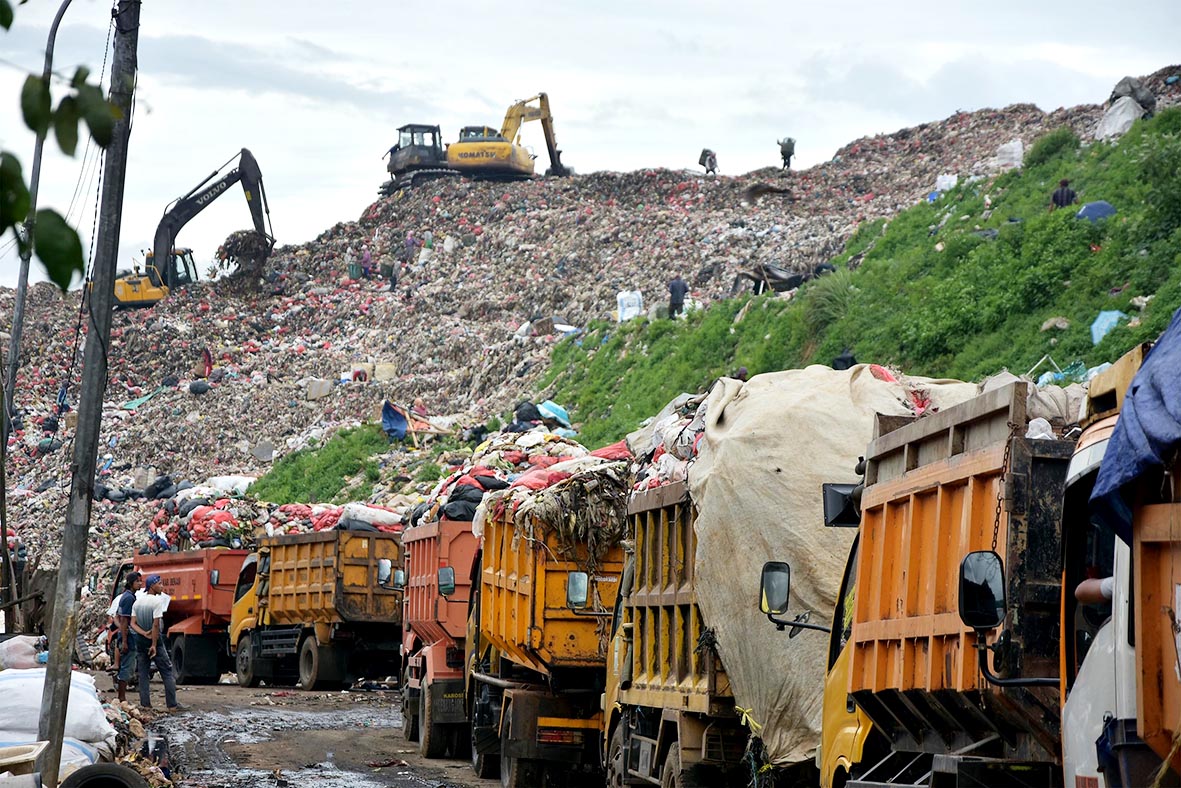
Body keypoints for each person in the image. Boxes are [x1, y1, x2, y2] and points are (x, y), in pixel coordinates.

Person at [131, 574, 181, 711]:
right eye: (159, 583)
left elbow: (133, 624)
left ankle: (145, 704)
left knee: (143, 673)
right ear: (152, 585)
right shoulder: (157, 602)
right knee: (167, 671)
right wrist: (153, 644)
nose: (162, 586)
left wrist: (142, 633)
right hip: (155, 641)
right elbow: (156, 625)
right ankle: (172, 705)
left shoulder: (138, 602)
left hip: (140, 641)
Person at [114, 571, 142, 703]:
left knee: (127, 666)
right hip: (128, 636)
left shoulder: (125, 596)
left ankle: (121, 696)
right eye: (138, 581)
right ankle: (121, 697)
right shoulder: (129, 598)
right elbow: (124, 621)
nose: (140, 584)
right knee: (127, 666)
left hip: (126, 635)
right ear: (131, 583)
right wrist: (124, 641)